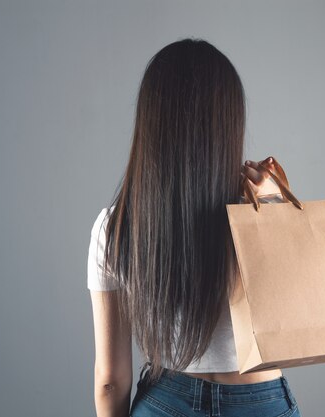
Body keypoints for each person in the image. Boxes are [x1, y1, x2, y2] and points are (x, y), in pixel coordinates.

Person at [87, 38, 301, 417]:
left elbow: (110, 380)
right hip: (260, 402)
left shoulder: (116, 226)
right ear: (229, 123)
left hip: (166, 401)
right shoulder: (260, 215)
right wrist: (271, 207)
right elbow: (297, 320)